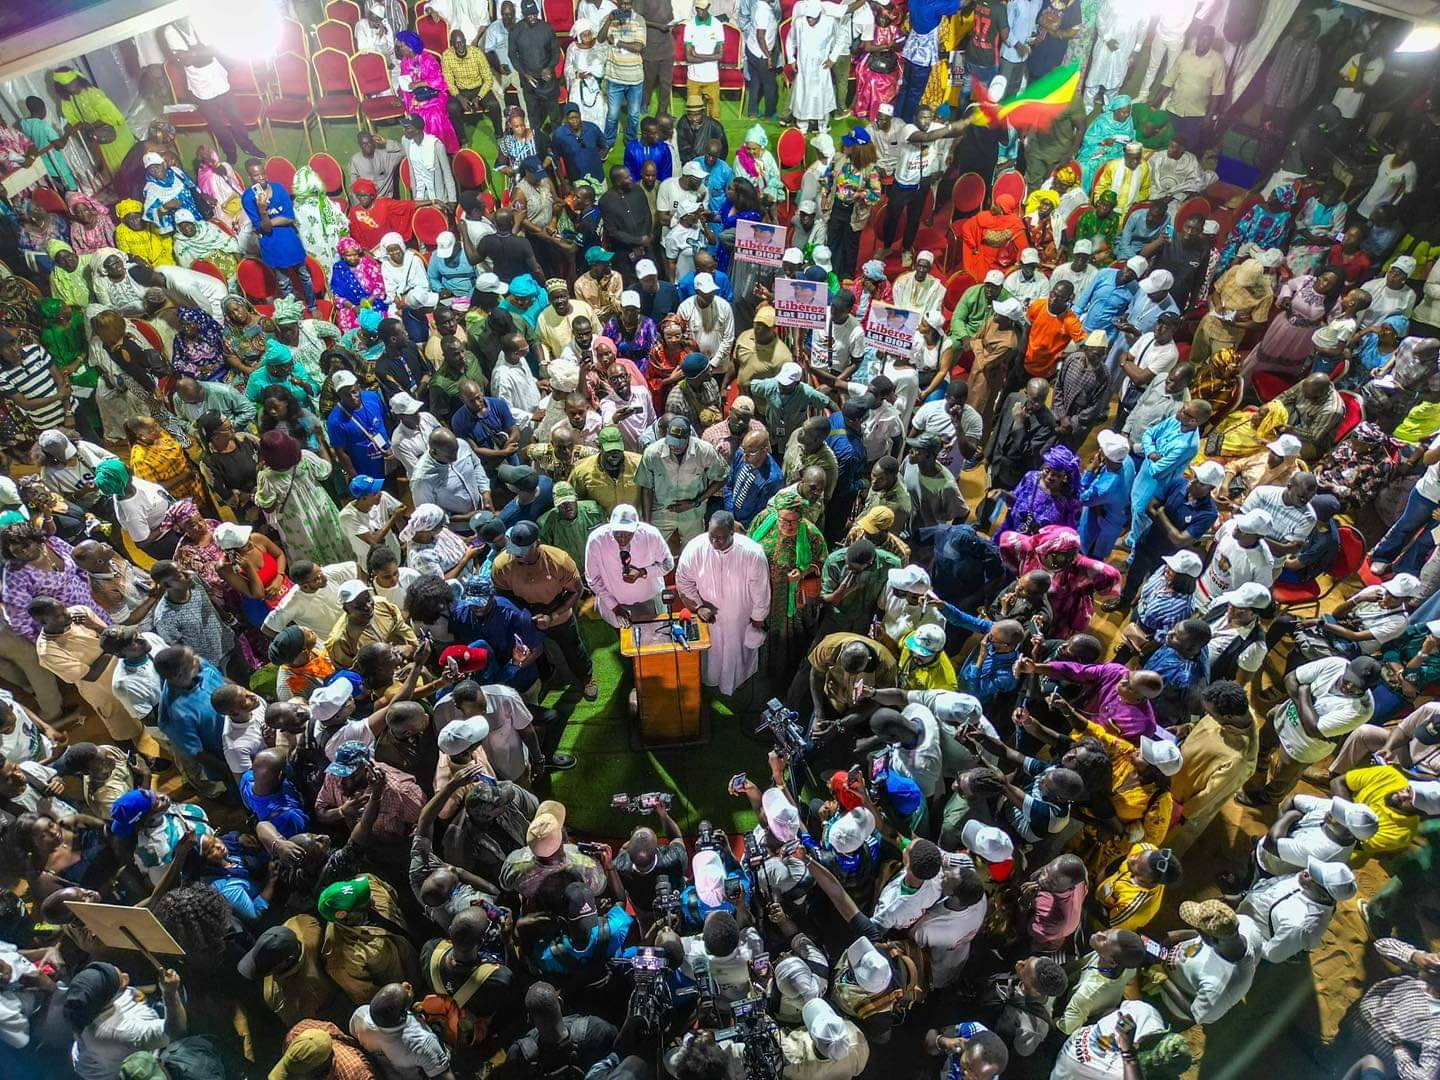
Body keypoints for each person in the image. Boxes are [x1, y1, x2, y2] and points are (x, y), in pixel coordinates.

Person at [676, 511, 771, 695]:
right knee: (711, 658)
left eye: (721, 538)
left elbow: (761, 591)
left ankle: (738, 683)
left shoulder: (752, 553)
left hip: (740, 619)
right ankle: (709, 683)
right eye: (712, 536)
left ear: (732, 533)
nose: (715, 542)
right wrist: (698, 606)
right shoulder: (695, 548)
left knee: (738, 657)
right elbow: (683, 581)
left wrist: (758, 619)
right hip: (709, 619)